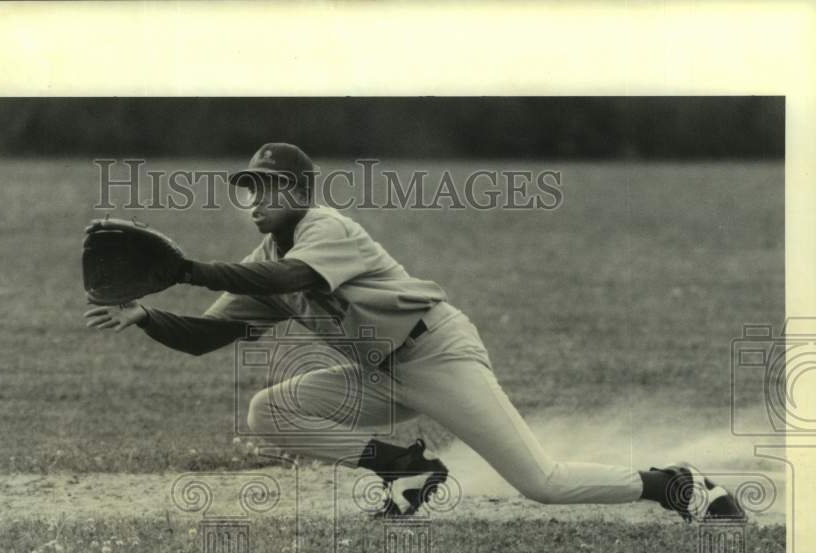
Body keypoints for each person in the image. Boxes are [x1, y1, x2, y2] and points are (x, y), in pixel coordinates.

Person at [85, 143, 743, 521]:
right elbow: (207, 336)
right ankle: (406, 470)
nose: (254, 198)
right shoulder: (262, 266)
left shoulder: (325, 229)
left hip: (438, 356)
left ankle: (674, 485)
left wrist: (189, 270)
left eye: (268, 186)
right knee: (269, 411)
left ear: (301, 190)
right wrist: (147, 317)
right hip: (383, 376)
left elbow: (294, 277)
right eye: (247, 188)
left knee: (541, 483)